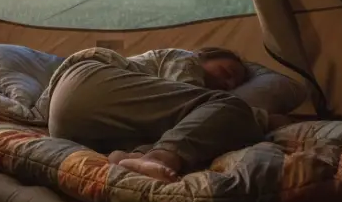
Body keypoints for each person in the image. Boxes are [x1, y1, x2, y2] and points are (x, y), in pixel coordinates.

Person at [45, 46, 291, 183]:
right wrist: (262, 118)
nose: (227, 82)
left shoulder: (154, 105)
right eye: (226, 71)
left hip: (71, 126)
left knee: (191, 128)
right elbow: (198, 98)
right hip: (88, 81)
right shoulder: (185, 60)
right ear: (203, 56)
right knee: (231, 106)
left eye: (233, 82)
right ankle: (160, 158)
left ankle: (136, 156)